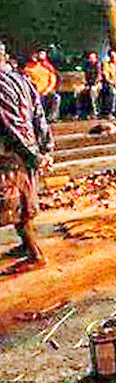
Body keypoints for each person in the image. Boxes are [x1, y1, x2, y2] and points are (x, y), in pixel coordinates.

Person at [0, 67, 53, 271]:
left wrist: (34, 155)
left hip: (12, 153)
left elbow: (12, 125)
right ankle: (26, 246)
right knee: (23, 200)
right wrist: (45, 147)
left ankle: (35, 255)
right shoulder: (21, 79)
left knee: (16, 202)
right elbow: (39, 115)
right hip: (26, 149)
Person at [25, 50, 61, 123]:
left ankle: (51, 118)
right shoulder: (27, 68)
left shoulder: (47, 67)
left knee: (56, 98)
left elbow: (52, 81)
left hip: (45, 92)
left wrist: (46, 91)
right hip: (32, 93)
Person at [80, 51, 103, 119]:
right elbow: (83, 76)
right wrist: (85, 84)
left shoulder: (98, 65)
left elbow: (99, 77)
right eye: (90, 58)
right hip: (88, 84)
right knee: (79, 91)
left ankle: (95, 112)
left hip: (97, 84)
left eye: (93, 58)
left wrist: (94, 84)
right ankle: (80, 113)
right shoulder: (86, 66)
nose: (91, 59)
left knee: (92, 91)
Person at [100, 50, 116, 118]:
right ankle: (110, 112)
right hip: (110, 83)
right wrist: (113, 83)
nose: (113, 57)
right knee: (112, 91)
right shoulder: (106, 65)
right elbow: (106, 76)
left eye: (114, 55)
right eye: (111, 55)